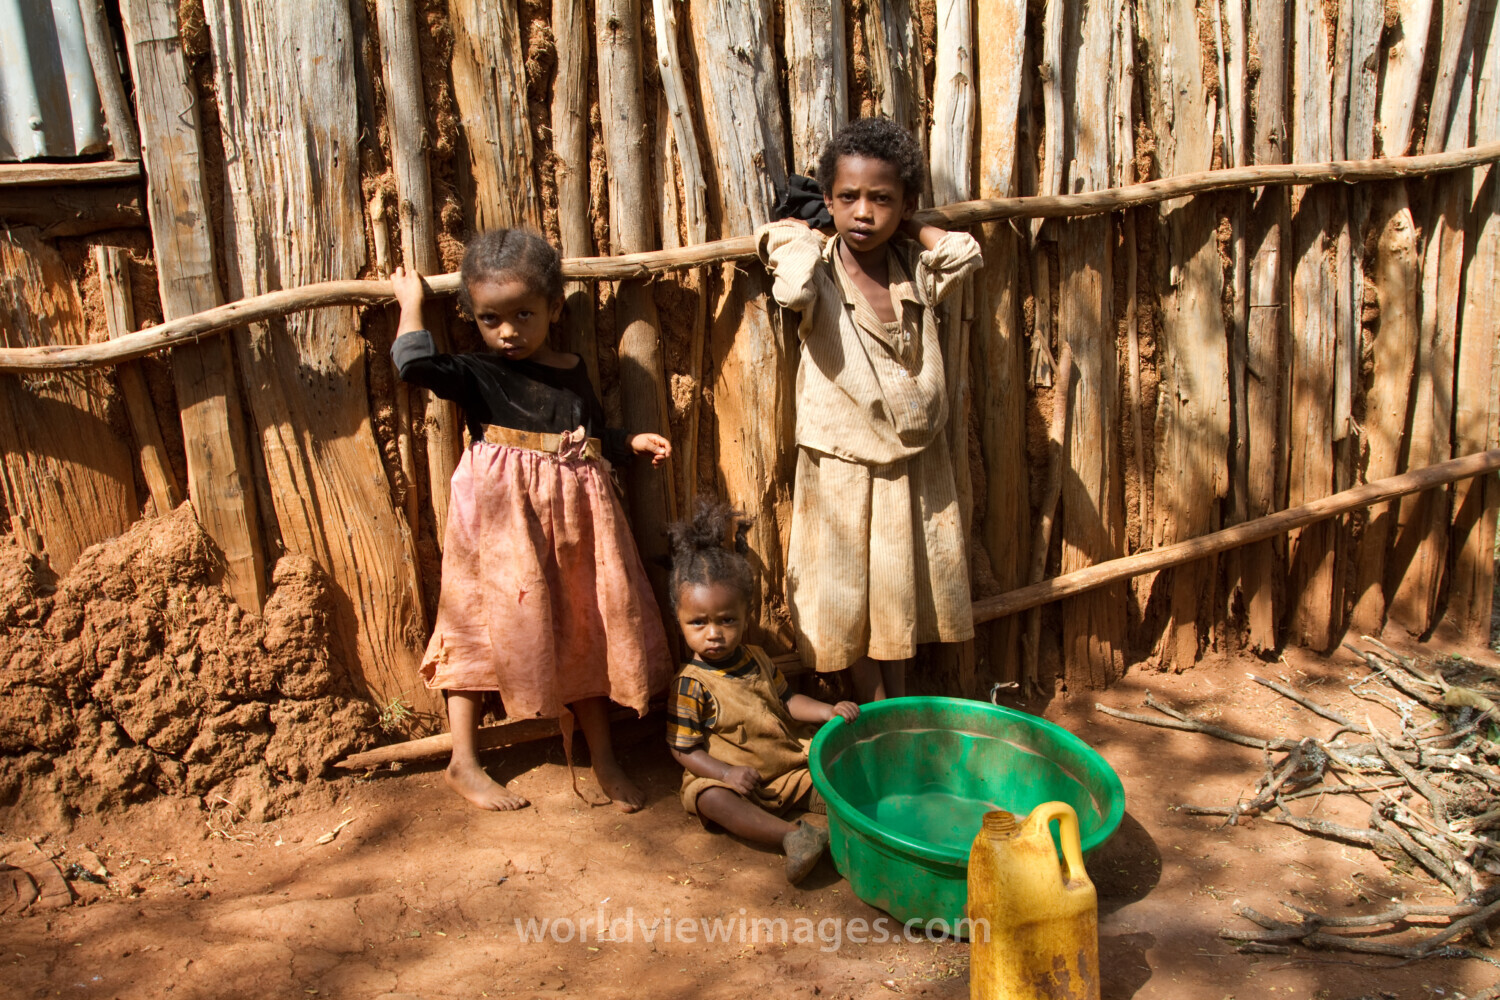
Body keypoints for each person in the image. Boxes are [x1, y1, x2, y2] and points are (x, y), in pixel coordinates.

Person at [390, 228, 673, 812]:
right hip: (500, 520)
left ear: (554, 308)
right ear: (471, 316)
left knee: (582, 625)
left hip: (575, 521)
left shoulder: (572, 369)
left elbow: (589, 434)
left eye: (524, 314)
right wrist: (412, 304)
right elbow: (413, 367)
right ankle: (463, 762)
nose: (509, 331)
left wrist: (627, 442)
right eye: (491, 319)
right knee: (476, 627)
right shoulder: (474, 371)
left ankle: (604, 759)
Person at [757, 117, 983, 703]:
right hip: (843, 462)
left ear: (906, 205)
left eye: (882, 200)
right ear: (827, 200)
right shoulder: (820, 264)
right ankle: (875, 711)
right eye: (848, 198)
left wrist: (912, 225)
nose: (864, 213)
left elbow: (962, 253)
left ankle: (897, 711)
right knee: (844, 596)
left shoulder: (912, 269)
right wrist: (803, 231)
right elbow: (792, 287)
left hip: (913, 460)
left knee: (897, 594)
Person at [665, 499, 860, 884]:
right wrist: (727, 772)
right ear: (680, 621)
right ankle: (794, 837)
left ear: (746, 616)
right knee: (710, 799)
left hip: (788, 769)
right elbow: (683, 749)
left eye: (727, 620)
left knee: (836, 777)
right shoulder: (690, 683)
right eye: (699, 623)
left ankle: (857, 820)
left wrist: (826, 711)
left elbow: (788, 701)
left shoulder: (756, 658)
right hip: (735, 781)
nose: (714, 633)